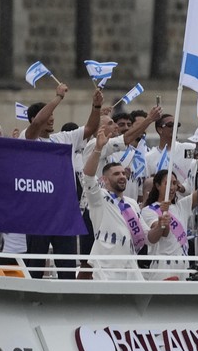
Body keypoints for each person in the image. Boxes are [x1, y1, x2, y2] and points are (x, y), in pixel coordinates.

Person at [24, 82, 102, 279]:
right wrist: (58, 98)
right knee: (35, 267)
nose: (51, 120)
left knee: (67, 266)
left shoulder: (63, 139)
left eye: (53, 117)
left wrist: (96, 107)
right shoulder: (29, 138)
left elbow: (92, 127)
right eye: (47, 116)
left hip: (64, 212)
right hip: (39, 212)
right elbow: (35, 126)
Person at [140, 140, 198, 281]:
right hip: (164, 267)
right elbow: (158, 235)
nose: (172, 188)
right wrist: (162, 221)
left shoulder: (181, 205)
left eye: (175, 184)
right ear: (157, 185)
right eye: (167, 184)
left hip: (184, 265)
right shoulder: (148, 211)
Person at [81, 129, 149, 280]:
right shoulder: (99, 198)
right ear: (104, 179)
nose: (122, 177)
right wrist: (98, 149)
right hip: (106, 264)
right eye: (116, 174)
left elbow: (147, 236)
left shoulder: (131, 204)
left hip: (130, 265)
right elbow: (88, 176)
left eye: (123, 173)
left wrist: (161, 225)